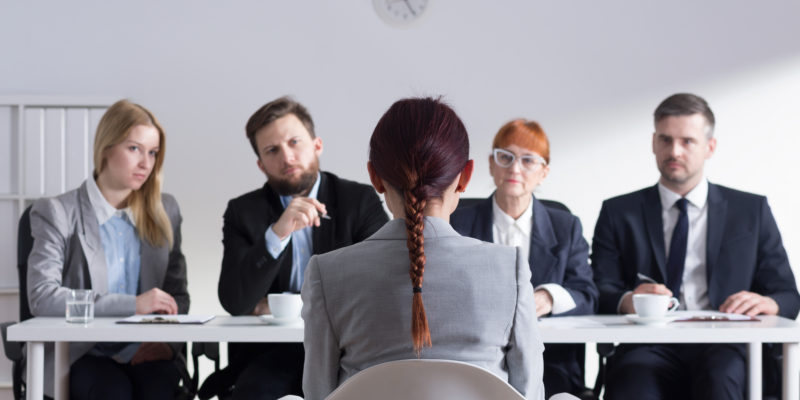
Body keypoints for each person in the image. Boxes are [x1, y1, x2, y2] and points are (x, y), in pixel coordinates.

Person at [301, 97, 545, 400]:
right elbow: (530, 393)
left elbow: (317, 394)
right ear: (465, 176)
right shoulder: (510, 268)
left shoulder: (327, 274)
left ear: (375, 177)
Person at [591, 93, 800, 399]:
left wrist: (770, 303)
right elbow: (598, 288)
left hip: (726, 345)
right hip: (648, 345)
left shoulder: (750, 210)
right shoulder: (620, 212)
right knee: (632, 386)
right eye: (665, 140)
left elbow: (788, 295)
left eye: (687, 141)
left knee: (722, 379)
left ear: (709, 147)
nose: (674, 151)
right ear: (653, 142)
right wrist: (628, 300)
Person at [217, 96, 389, 399]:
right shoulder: (243, 212)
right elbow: (235, 301)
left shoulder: (359, 201)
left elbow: (381, 285)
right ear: (260, 163)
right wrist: (277, 233)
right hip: (270, 355)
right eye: (272, 150)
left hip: (348, 350)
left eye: (294, 142)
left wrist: (288, 304)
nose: (287, 157)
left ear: (317, 145)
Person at [27, 99, 189, 399]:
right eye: (134, 149)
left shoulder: (165, 210)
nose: (146, 163)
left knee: (159, 387)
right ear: (106, 147)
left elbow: (177, 295)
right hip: (81, 353)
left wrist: (168, 345)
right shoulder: (58, 211)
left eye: (152, 153)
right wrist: (132, 304)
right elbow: (42, 297)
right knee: (111, 391)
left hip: (145, 349)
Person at [450, 119, 597, 397]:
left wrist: (548, 298)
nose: (514, 168)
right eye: (505, 157)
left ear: (544, 172)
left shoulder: (566, 227)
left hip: (551, 362)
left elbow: (587, 294)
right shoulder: (458, 222)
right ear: (491, 165)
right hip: (475, 359)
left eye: (528, 160)